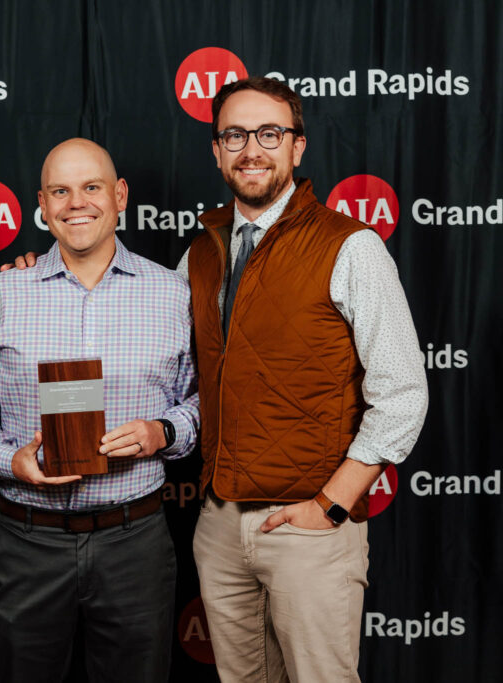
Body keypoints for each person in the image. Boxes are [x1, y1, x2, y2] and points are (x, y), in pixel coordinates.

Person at [180, 77, 429, 682]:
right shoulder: (200, 252)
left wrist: (333, 504)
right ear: (216, 151)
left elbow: (402, 392)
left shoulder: (352, 247)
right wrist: (41, 268)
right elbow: (136, 328)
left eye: (270, 133)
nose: (251, 150)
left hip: (310, 524)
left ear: (298, 147)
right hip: (218, 524)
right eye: (235, 135)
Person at [0, 138, 199, 683]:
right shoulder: (3, 293)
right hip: (26, 542)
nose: (76, 203)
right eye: (60, 192)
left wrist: (164, 431)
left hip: (134, 541)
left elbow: (201, 402)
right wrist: (9, 460)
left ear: (120, 196)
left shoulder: (172, 294)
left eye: (91, 188)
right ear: (41, 205)